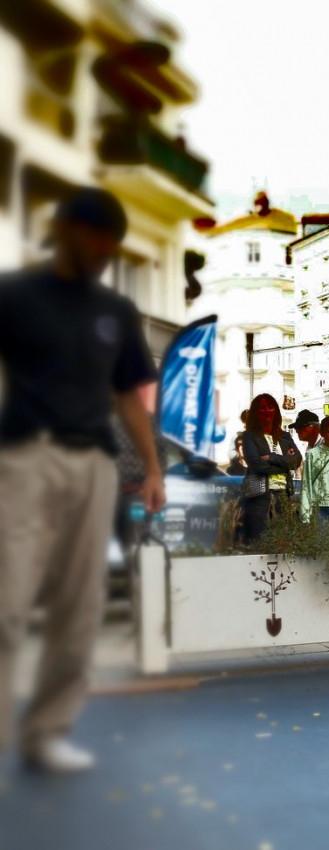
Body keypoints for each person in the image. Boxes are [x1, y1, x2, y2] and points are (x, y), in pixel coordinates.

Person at [0, 186, 166, 773]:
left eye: (110, 240)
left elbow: (128, 397)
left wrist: (152, 467)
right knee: (8, 601)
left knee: (79, 607)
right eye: (93, 233)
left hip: (92, 466)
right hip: (23, 459)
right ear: (66, 228)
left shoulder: (115, 312)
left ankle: (45, 732)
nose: (102, 248)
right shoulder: (15, 296)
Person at [239, 394, 302, 543]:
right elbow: (257, 465)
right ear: (255, 412)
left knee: (281, 541)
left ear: (276, 411)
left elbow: (297, 461)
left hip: (283, 495)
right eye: (262, 408)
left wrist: (271, 458)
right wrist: (285, 464)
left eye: (270, 407)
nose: (267, 411)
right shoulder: (249, 436)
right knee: (259, 540)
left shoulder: (285, 436)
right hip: (259, 496)